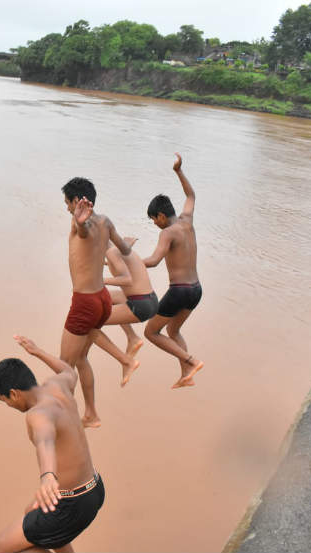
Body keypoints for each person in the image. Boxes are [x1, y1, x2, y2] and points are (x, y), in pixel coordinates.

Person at [0, 335, 105, 553]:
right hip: (95, 488)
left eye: (4, 400)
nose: (7, 405)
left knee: (4, 545)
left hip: (74, 504)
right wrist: (37, 351)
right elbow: (69, 371)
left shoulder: (37, 414)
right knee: (32, 512)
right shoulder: (57, 385)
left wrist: (48, 477)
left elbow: (45, 440)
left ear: (14, 393)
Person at [60, 177, 134, 428]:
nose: (67, 208)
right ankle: (91, 414)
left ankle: (65, 422)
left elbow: (83, 230)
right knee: (80, 358)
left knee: (63, 367)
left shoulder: (79, 222)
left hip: (85, 302)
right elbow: (124, 249)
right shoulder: (106, 222)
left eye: (68, 203)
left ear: (77, 201)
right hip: (102, 297)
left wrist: (80, 223)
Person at [142, 153, 204, 389]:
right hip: (196, 289)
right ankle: (186, 373)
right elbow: (190, 195)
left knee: (151, 332)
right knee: (172, 329)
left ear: (160, 215)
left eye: (153, 220)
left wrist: (129, 261)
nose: (155, 224)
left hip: (179, 291)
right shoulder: (187, 221)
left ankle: (192, 360)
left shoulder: (167, 232)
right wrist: (179, 171)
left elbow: (154, 261)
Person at [91, 239, 159, 387]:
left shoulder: (111, 252)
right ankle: (132, 337)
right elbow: (127, 262)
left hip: (140, 305)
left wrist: (100, 280)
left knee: (89, 326)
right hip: (151, 299)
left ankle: (127, 362)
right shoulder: (119, 248)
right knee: (106, 298)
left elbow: (126, 279)